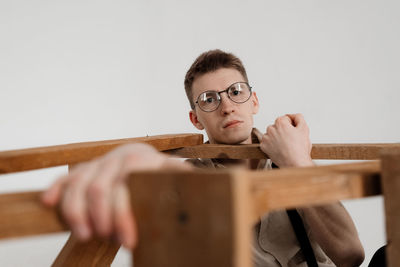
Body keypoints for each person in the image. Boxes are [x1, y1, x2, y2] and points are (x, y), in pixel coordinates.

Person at [42, 49, 365, 266]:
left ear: (254, 101)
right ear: (196, 119)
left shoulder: (292, 157)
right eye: (209, 99)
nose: (227, 106)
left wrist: (299, 164)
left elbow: (350, 255)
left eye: (236, 92)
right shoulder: (185, 182)